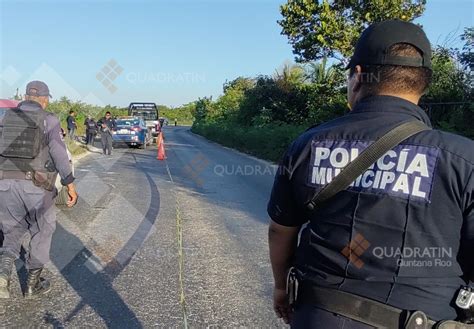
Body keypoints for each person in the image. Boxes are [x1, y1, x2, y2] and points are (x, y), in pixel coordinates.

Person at [267, 20, 474, 328]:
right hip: (427, 317)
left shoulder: (308, 145)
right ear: (424, 82)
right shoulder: (463, 158)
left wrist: (282, 287)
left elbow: (280, 230)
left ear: (359, 76)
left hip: (319, 313)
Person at [0, 80, 78, 299]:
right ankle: (32, 284)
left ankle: (3, 276)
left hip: (4, 185)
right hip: (36, 187)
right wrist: (69, 183)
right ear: (44, 100)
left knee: (11, 230)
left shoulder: (6, 117)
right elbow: (59, 154)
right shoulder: (49, 120)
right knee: (43, 230)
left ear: (25, 97)